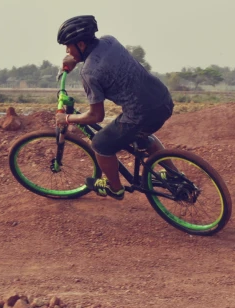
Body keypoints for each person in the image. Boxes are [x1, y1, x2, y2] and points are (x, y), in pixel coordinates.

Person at [54, 15, 174, 200]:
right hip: (163, 99)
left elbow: (96, 116)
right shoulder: (110, 41)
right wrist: (76, 60)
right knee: (144, 137)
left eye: (68, 45)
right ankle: (173, 174)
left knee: (100, 144)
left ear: (81, 44)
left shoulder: (88, 73)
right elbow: (103, 60)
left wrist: (68, 119)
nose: (67, 50)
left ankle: (115, 188)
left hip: (141, 113)